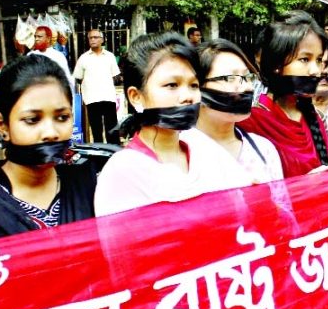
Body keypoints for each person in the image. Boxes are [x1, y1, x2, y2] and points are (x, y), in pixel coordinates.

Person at [94, 32, 251, 215]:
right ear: (136, 97)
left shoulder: (208, 151)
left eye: (193, 85)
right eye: (172, 85)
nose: (187, 97)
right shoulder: (122, 172)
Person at [0, 55, 96, 245]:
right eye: (32, 120)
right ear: (2, 125)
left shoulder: (88, 185)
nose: (51, 133)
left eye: (62, 117)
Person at [238, 11, 328, 177]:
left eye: (319, 60)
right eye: (305, 59)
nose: (316, 71)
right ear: (276, 64)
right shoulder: (249, 122)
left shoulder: (314, 118)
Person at [183, 38, 283, 183]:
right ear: (196, 87)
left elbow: (282, 202)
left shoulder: (263, 150)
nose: (247, 87)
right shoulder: (179, 152)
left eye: (247, 77)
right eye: (230, 78)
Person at [73, 28, 122, 144]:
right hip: (92, 98)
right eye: (90, 38)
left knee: (112, 128)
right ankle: (99, 155)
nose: (92, 40)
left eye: (95, 37)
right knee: (96, 130)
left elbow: (116, 76)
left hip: (108, 96)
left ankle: (114, 152)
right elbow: (78, 78)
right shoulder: (83, 58)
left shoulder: (110, 56)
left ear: (102, 40)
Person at [30, 25, 73, 90]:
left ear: (48, 39)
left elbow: (67, 79)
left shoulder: (58, 56)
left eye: (39, 37)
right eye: (35, 36)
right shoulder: (31, 55)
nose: (36, 39)